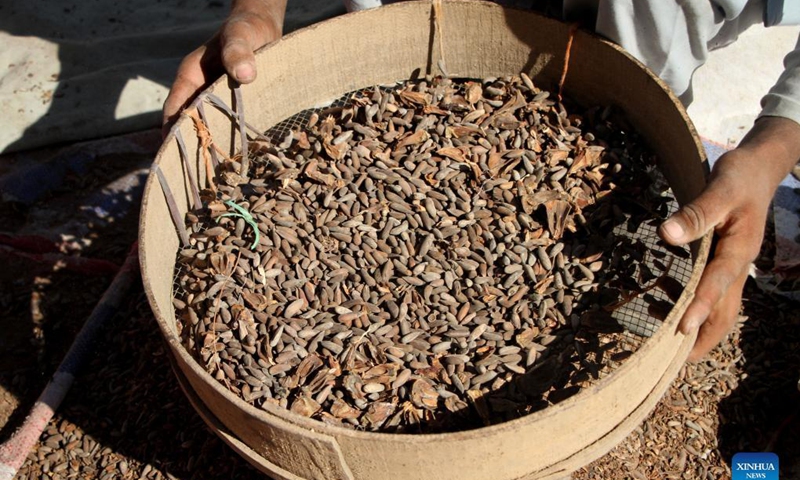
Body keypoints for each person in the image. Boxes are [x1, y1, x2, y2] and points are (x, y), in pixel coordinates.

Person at [163, 0, 800, 362]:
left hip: (638, 71)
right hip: (411, 33)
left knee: (632, 264)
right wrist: (259, 10)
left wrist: (772, 149)